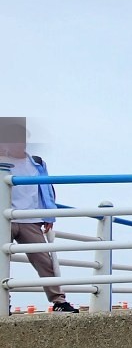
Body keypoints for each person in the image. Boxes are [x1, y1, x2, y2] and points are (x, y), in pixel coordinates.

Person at [0, 123, 77, 313]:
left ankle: (59, 302)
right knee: (1, 261)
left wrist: (49, 215)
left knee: (45, 262)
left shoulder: (37, 162)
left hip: (30, 219)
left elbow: (47, 189)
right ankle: (3, 303)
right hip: (4, 218)